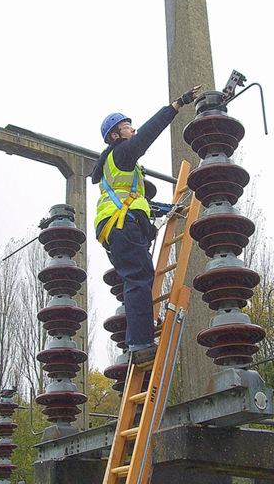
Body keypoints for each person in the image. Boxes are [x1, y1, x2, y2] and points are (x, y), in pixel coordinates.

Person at [92, 85, 201, 365]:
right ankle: (140, 345)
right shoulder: (122, 154)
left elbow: (135, 201)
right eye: (128, 127)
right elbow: (150, 133)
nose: (134, 130)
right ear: (115, 135)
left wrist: (168, 210)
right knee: (139, 280)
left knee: (138, 278)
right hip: (121, 226)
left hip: (118, 227)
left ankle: (138, 340)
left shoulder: (118, 169)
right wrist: (176, 105)